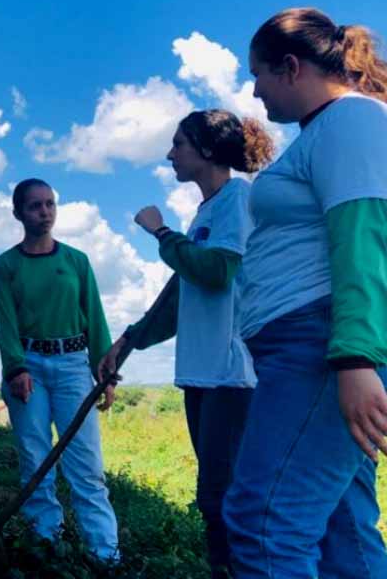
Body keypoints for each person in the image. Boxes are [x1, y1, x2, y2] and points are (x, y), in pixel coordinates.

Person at [221, 7, 387, 578]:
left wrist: (356, 357)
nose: (254, 90)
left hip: (321, 348)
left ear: (290, 67)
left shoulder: (351, 121)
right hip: (312, 348)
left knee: (265, 521)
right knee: (341, 524)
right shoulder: (328, 130)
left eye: (259, 74)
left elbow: (363, 234)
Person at [98, 110, 274, 577]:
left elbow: (217, 273)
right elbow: (180, 297)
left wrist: (161, 232)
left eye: (179, 144)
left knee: (224, 497)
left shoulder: (238, 198)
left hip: (232, 376)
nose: (170, 153)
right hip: (201, 372)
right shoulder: (206, 211)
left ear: (208, 150)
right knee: (216, 496)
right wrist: (127, 340)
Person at [0, 178, 119, 562]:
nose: (44, 213)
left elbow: (94, 318)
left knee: (86, 465)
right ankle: (45, 545)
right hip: (28, 367)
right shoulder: (4, 266)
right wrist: (15, 369)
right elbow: (5, 323)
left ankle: (105, 554)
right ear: (18, 213)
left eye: (49, 204)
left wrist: (106, 373)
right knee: (35, 459)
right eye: (35, 206)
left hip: (73, 366)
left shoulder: (76, 261)